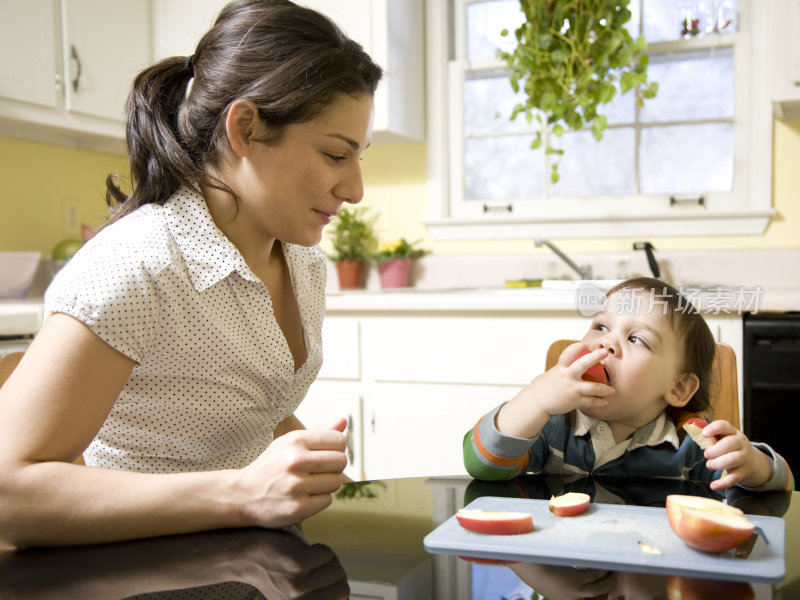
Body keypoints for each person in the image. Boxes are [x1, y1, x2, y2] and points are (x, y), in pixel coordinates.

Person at [0, 0, 382, 547]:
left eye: (358, 157)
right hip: (139, 569)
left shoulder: (300, 262)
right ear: (245, 128)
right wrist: (242, 493)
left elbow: (244, 416)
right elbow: (7, 494)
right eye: (334, 155)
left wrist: (323, 481)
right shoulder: (139, 264)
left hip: (249, 558)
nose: (355, 190)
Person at [463, 278, 794, 493]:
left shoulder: (689, 446)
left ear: (678, 389)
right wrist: (534, 398)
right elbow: (483, 465)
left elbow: (781, 494)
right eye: (601, 325)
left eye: (636, 338)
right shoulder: (550, 425)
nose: (607, 343)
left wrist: (755, 465)